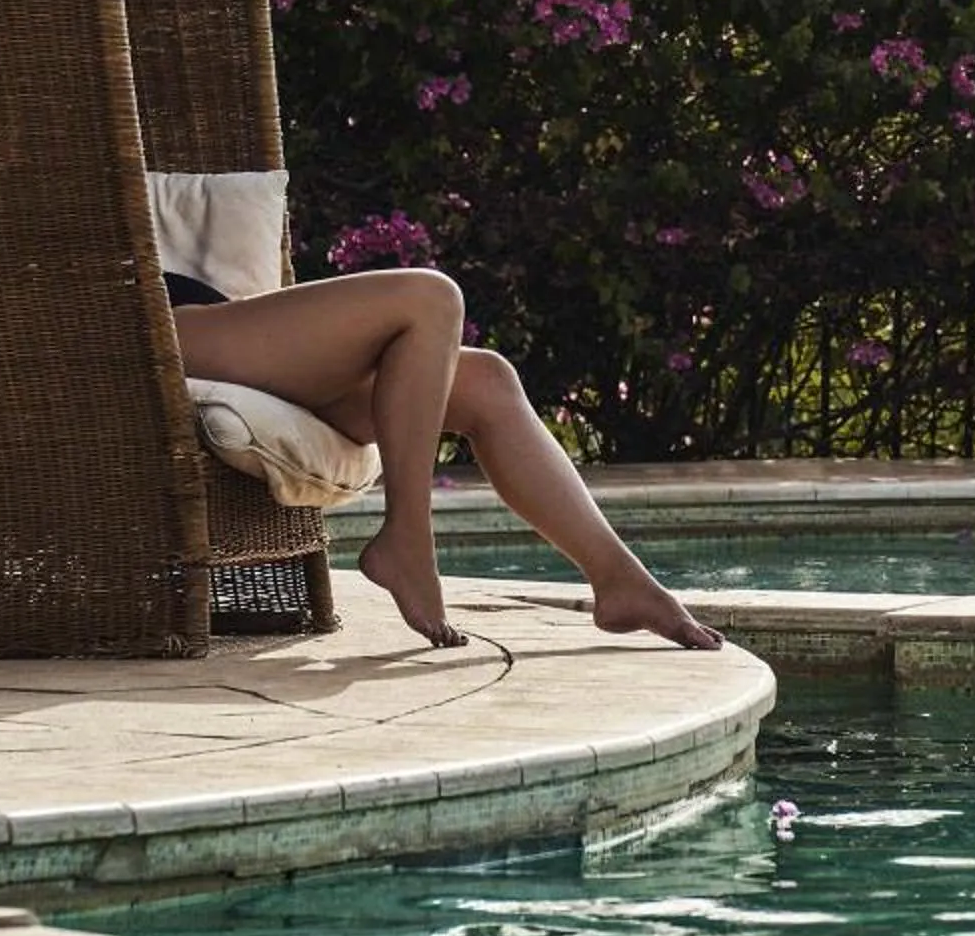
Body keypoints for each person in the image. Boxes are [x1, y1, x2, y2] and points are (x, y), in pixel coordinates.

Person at [164, 267, 720, 654]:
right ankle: (407, 539)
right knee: (431, 297)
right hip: (159, 317)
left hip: (214, 320)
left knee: (489, 383)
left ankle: (619, 580)